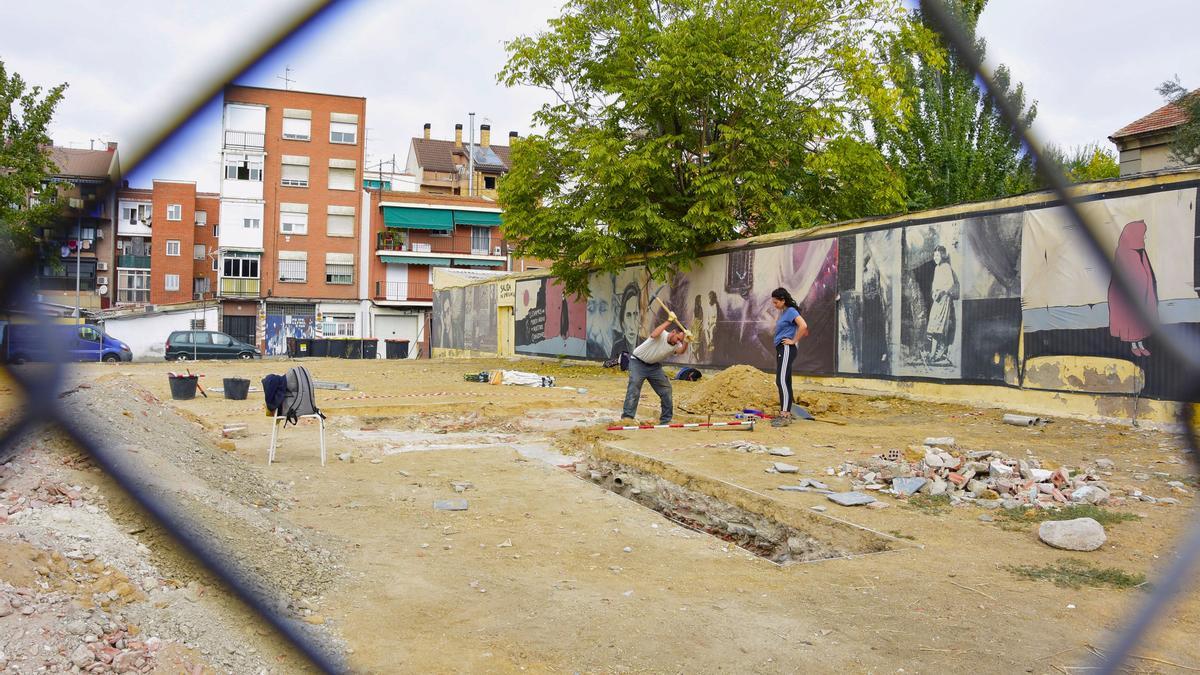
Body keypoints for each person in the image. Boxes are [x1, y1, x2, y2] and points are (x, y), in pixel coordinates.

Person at [619, 308, 690, 424]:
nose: (678, 342)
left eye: (680, 340)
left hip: (654, 367)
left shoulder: (676, 344)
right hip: (638, 362)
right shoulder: (662, 334)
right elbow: (653, 334)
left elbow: (681, 351)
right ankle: (627, 417)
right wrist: (669, 321)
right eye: (678, 338)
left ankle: (666, 420)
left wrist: (686, 341)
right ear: (673, 332)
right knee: (634, 386)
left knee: (666, 390)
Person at [1108, 219, 1158, 357]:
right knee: (1131, 320)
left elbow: (1146, 272)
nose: (1145, 237)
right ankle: (1134, 345)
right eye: (1143, 234)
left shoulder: (1140, 251)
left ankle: (1140, 344)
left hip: (1143, 294)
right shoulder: (1123, 252)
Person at [770, 287, 809, 427]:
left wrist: (794, 341)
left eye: (776, 303)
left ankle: (785, 415)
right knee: (785, 380)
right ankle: (785, 413)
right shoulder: (784, 312)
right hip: (782, 348)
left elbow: (803, 326)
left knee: (781, 380)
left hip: (786, 348)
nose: (774, 305)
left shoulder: (791, 311)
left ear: (783, 300)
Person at [925, 245, 958, 365]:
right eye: (934, 255)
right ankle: (933, 353)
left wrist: (941, 292)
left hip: (944, 299)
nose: (936, 257)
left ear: (943, 256)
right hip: (937, 299)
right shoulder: (936, 268)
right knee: (933, 326)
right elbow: (934, 284)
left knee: (939, 327)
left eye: (938, 255)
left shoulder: (946, 267)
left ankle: (938, 352)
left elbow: (950, 283)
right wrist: (934, 292)